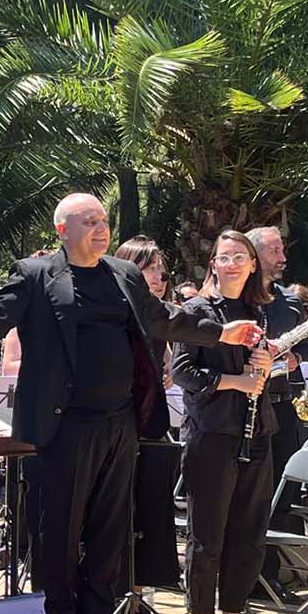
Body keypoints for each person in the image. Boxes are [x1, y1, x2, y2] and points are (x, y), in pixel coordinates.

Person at [0, 194, 263, 614]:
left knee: (111, 522)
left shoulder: (123, 274)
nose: (100, 228)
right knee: (62, 523)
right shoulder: (35, 274)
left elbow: (161, 318)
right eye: (88, 221)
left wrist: (220, 332)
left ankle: (99, 613)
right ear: (62, 230)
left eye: (103, 220)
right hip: (64, 420)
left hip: (120, 417)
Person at [173, 231, 277, 614]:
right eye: (224, 257)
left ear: (253, 265)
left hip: (256, 431)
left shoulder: (257, 312)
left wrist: (266, 365)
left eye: (240, 257)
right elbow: (182, 371)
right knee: (208, 533)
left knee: (248, 532)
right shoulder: (197, 311)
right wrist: (235, 381)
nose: (232, 264)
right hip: (212, 433)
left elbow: (259, 376)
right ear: (213, 265)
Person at [246, 226, 308, 604]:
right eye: (274, 250)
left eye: (282, 249)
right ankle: (239, 578)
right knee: (246, 497)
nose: (283, 257)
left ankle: (269, 577)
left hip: (281, 406)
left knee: (280, 496)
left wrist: (294, 359)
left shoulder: (290, 303)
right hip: (243, 405)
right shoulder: (238, 299)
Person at [113, 235, 182, 592]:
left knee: (149, 510)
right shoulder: (115, 314)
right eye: (149, 270)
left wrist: (168, 371)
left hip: (151, 421)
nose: (158, 278)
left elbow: (167, 358)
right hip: (119, 420)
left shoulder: (161, 314)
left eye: (162, 272)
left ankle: (139, 592)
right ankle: (116, 590)